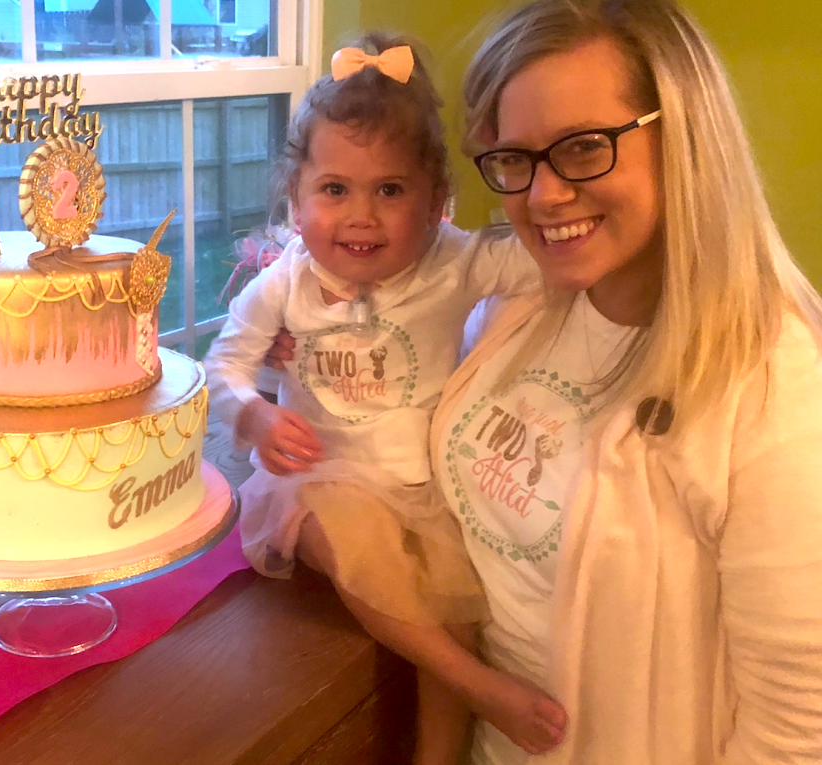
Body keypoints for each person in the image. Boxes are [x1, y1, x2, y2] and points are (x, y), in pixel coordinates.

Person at [266, 1, 822, 762]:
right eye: (516, 158)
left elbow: (796, 733)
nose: (542, 195)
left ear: (686, 135)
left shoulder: (775, 389)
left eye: (585, 147)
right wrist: (309, 348)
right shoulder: (519, 306)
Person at [204, 32, 569, 765]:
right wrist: (254, 411)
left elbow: (542, 257)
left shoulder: (454, 264)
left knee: (452, 607)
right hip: (314, 484)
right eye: (334, 189)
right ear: (296, 196)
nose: (361, 216)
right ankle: (481, 685)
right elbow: (222, 365)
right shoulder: (287, 283)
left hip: (421, 491)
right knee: (359, 552)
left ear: (435, 199)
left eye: (390, 190)